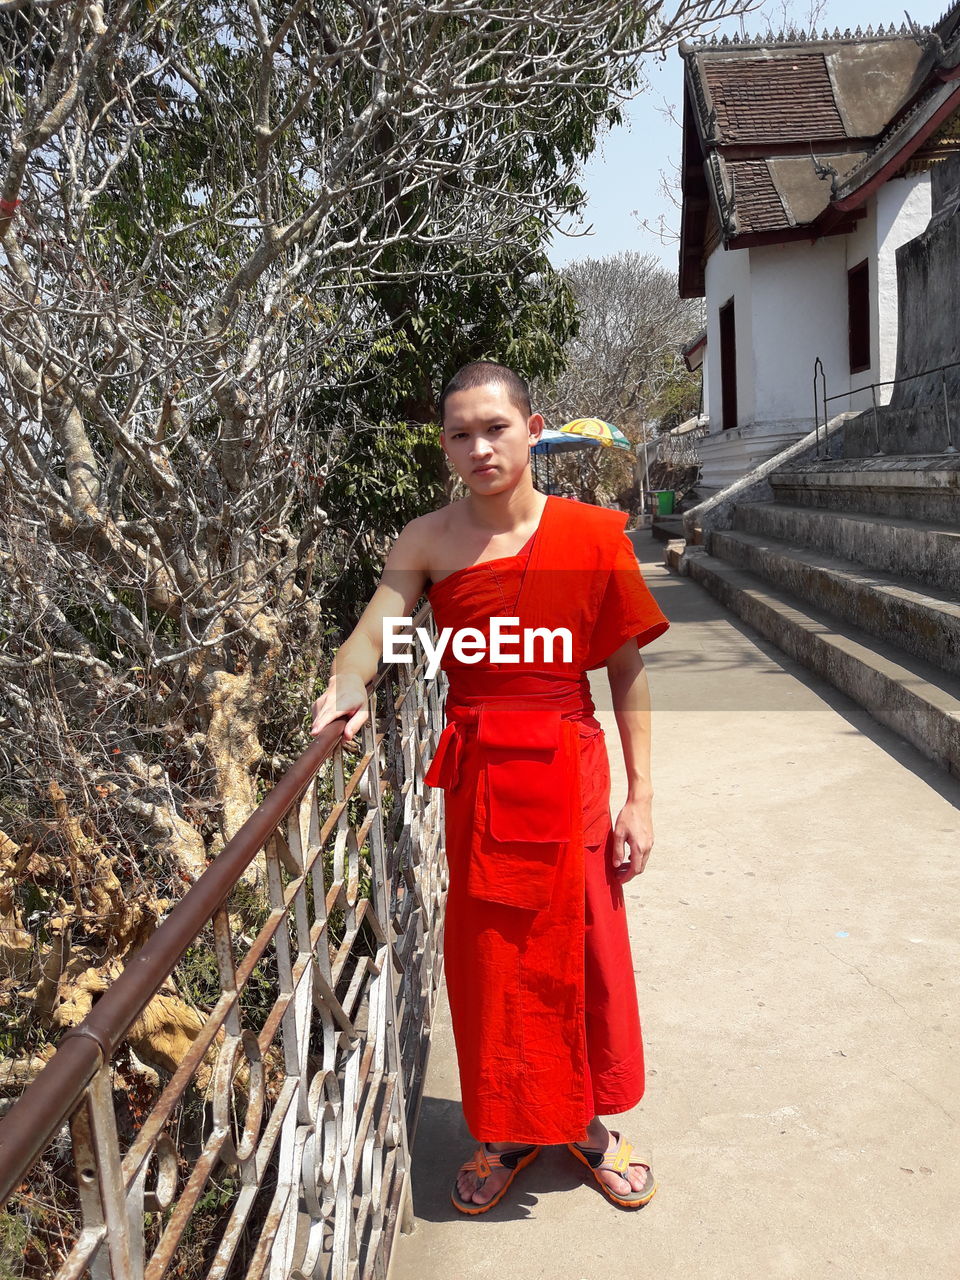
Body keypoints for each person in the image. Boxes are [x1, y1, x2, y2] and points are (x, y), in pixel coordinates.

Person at [310, 361, 669, 1213]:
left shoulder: (592, 535)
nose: (479, 447)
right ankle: (506, 1130)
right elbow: (371, 636)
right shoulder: (426, 541)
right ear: (444, 447)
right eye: (461, 434)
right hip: (480, 783)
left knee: (580, 950)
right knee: (493, 962)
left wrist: (641, 796)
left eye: (495, 428)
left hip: (570, 768)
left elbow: (626, 672)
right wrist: (346, 685)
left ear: (532, 427)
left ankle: (585, 1129)